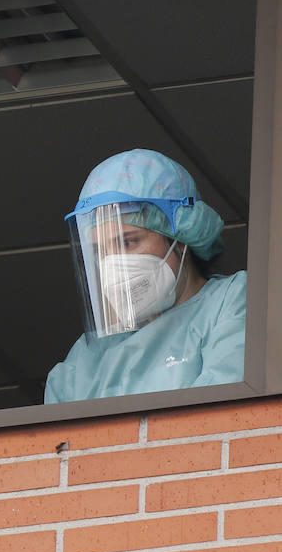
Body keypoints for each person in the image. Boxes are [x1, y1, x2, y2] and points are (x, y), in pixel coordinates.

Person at [45, 148, 247, 403]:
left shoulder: (232, 304)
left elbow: (224, 424)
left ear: (181, 237)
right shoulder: (85, 362)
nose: (111, 264)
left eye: (128, 243)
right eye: (100, 251)